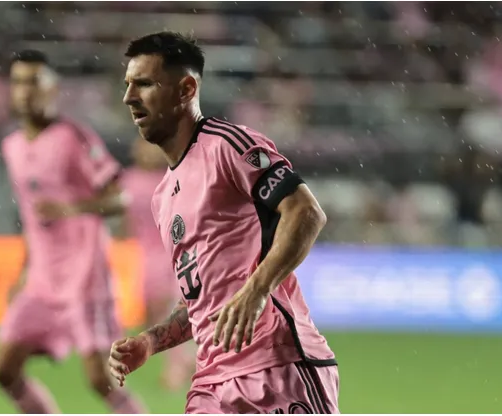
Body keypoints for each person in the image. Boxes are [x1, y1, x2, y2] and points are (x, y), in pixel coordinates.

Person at [109, 32, 340, 414]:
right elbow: (200, 300)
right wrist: (151, 341)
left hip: (275, 365)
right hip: (210, 382)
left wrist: (257, 289)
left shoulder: (225, 145)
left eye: (145, 84)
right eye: (128, 84)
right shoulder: (162, 197)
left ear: (186, 89)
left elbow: (306, 212)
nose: (129, 97)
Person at [0, 49, 145, 414]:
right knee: (3, 370)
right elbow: (31, 219)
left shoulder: (74, 137)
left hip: (84, 276)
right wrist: (24, 271)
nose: (25, 91)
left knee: (100, 380)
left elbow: (119, 197)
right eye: (18, 82)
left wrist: (72, 209)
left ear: (52, 89)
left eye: (34, 82)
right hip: (42, 280)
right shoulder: (12, 146)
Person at [119, 138, 195, 390]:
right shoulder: (128, 179)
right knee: (153, 312)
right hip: (145, 253)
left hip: (172, 250)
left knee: (171, 308)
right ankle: (185, 361)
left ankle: (176, 369)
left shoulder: (173, 177)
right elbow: (127, 220)